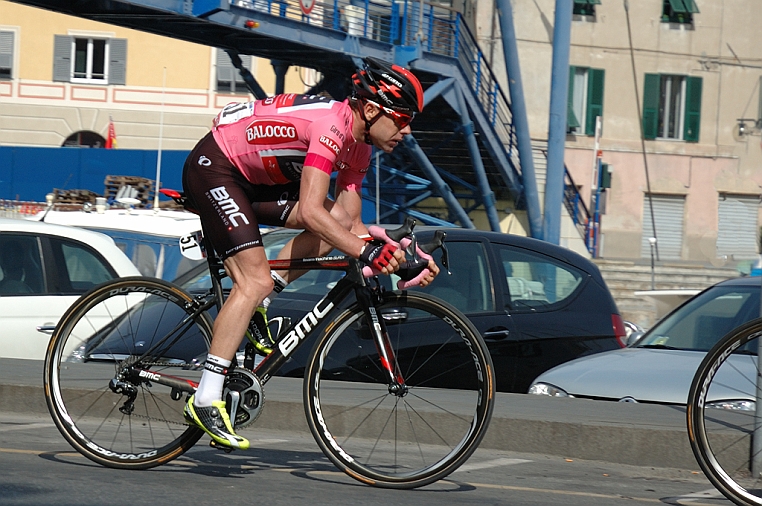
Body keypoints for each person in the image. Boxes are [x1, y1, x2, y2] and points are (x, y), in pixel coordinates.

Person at [181, 57, 439, 450]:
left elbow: (346, 223)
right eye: (401, 119)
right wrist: (367, 252)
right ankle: (205, 397)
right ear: (371, 110)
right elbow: (313, 213)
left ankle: (258, 306)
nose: (406, 131)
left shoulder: (360, 146)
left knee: (330, 223)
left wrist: (402, 255)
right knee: (254, 280)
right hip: (215, 168)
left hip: (252, 181)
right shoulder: (331, 128)